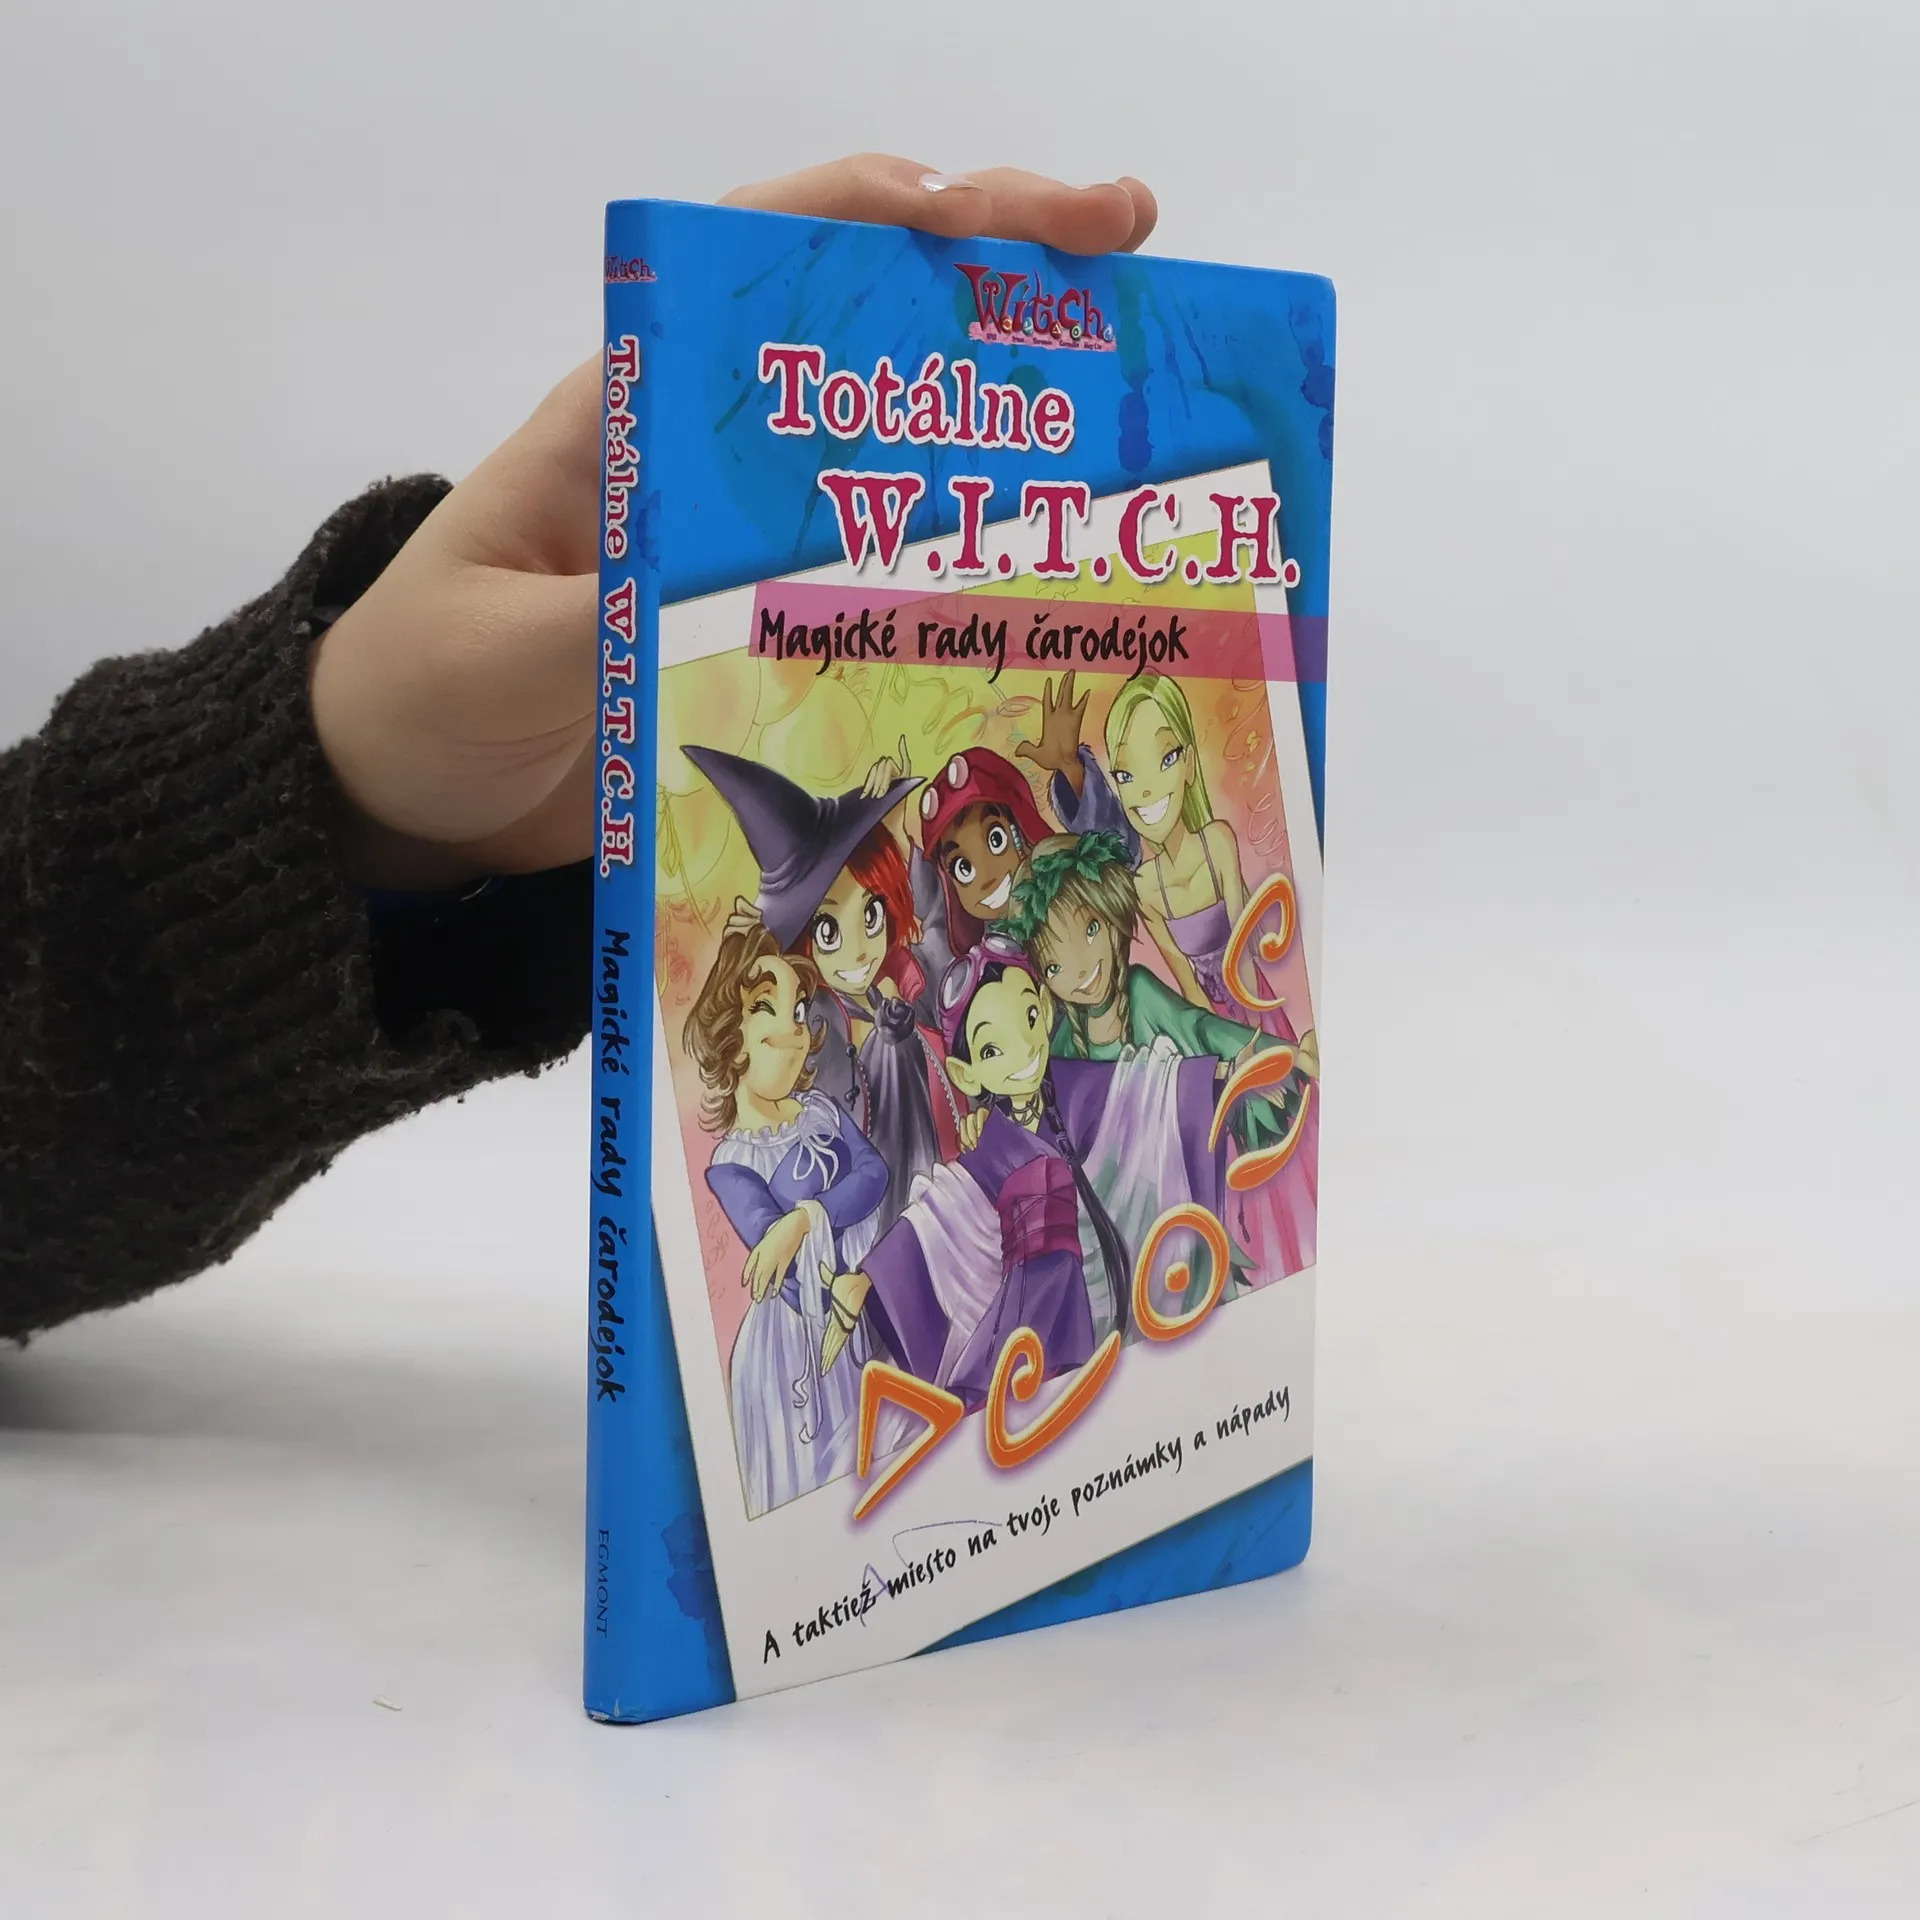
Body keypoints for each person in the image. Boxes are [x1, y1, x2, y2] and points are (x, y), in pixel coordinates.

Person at [0, 155, 1160, 1346]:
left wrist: (352, 807)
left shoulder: (962, 992)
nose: (850, 952)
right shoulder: (818, 1088)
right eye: (824, 941)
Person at [820, 937, 1230, 1402]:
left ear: (1045, 1010)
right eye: (993, 1049)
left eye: (1029, 1017)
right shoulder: (990, 1141)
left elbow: (1142, 1090)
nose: (1023, 1051)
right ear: (966, 1074)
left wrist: (1212, 1078)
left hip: (1117, 1273)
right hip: (1040, 1311)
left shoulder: (1074, 1084)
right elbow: (941, 1212)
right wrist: (867, 1278)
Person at [1102, 672, 1321, 1273]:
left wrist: (1256, 1032)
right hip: (1209, 1025)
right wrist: (1219, 1049)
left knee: (1293, 1122)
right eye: (1126, 775)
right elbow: (1184, 984)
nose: (1147, 788)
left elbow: (1246, 951)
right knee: (1242, 1150)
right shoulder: (1142, 888)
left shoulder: (1218, 842)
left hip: (1254, 1006)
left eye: (1163, 759)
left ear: (1188, 765)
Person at [683, 922, 889, 1515]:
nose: (796, 1029)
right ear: (734, 1040)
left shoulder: (819, 1109)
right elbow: (783, 1269)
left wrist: (804, 1219)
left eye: (798, 1009)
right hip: (793, 1350)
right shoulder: (731, 1165)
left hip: (856, 1305)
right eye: (769, 1009)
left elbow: (873, 1175)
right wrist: (807, 1237)